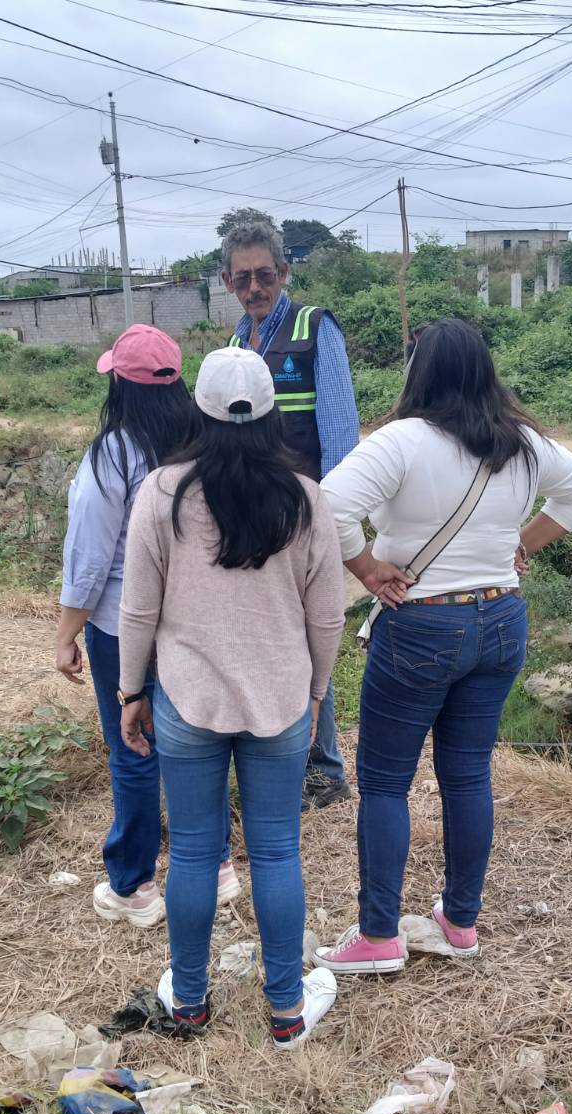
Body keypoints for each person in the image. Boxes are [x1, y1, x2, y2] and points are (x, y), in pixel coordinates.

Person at [313, 319, 572, 975]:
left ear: (417, 372)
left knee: (385, 783)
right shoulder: (522, 442)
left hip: (421, 624)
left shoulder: (400, 442)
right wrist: (523, 543)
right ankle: (460, 921)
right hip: (500, 618)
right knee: (468, 774)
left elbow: (328, 507)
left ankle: (379, 935)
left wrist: (367, 569)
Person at [118, 346, 345, 1049]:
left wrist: (131, 690)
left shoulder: (162, 492)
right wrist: (317, 692)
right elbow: (327, 616)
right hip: (280, 698)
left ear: (199, 410)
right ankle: (285, 1011)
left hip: (188, 699)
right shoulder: (305, 498)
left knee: (191, 853)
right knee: (276, 852)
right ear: (273, 413)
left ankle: (188, 1002)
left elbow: (138, 609)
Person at [55, 324, 237, 929]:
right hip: (194, 621)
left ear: (120, 386)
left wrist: (66, 633)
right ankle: (216, 864)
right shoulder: (205, 443)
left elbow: (89, 554)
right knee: (198, 741)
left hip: (122, 625)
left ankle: (134, 885)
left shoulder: (113, 454)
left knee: (132, 746)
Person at [221, 218, 359, 812]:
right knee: (267, 637)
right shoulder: (234, 342)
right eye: (242, 278)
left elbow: (341, 432)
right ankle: (284, 757)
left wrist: (331, 521)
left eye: (265, 274)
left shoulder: (315, 329)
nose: (255, 287)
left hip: (304, 519)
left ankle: (324, 771)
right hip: (251, 520)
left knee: (306, 639)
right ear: (227, 282)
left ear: (284, 272)